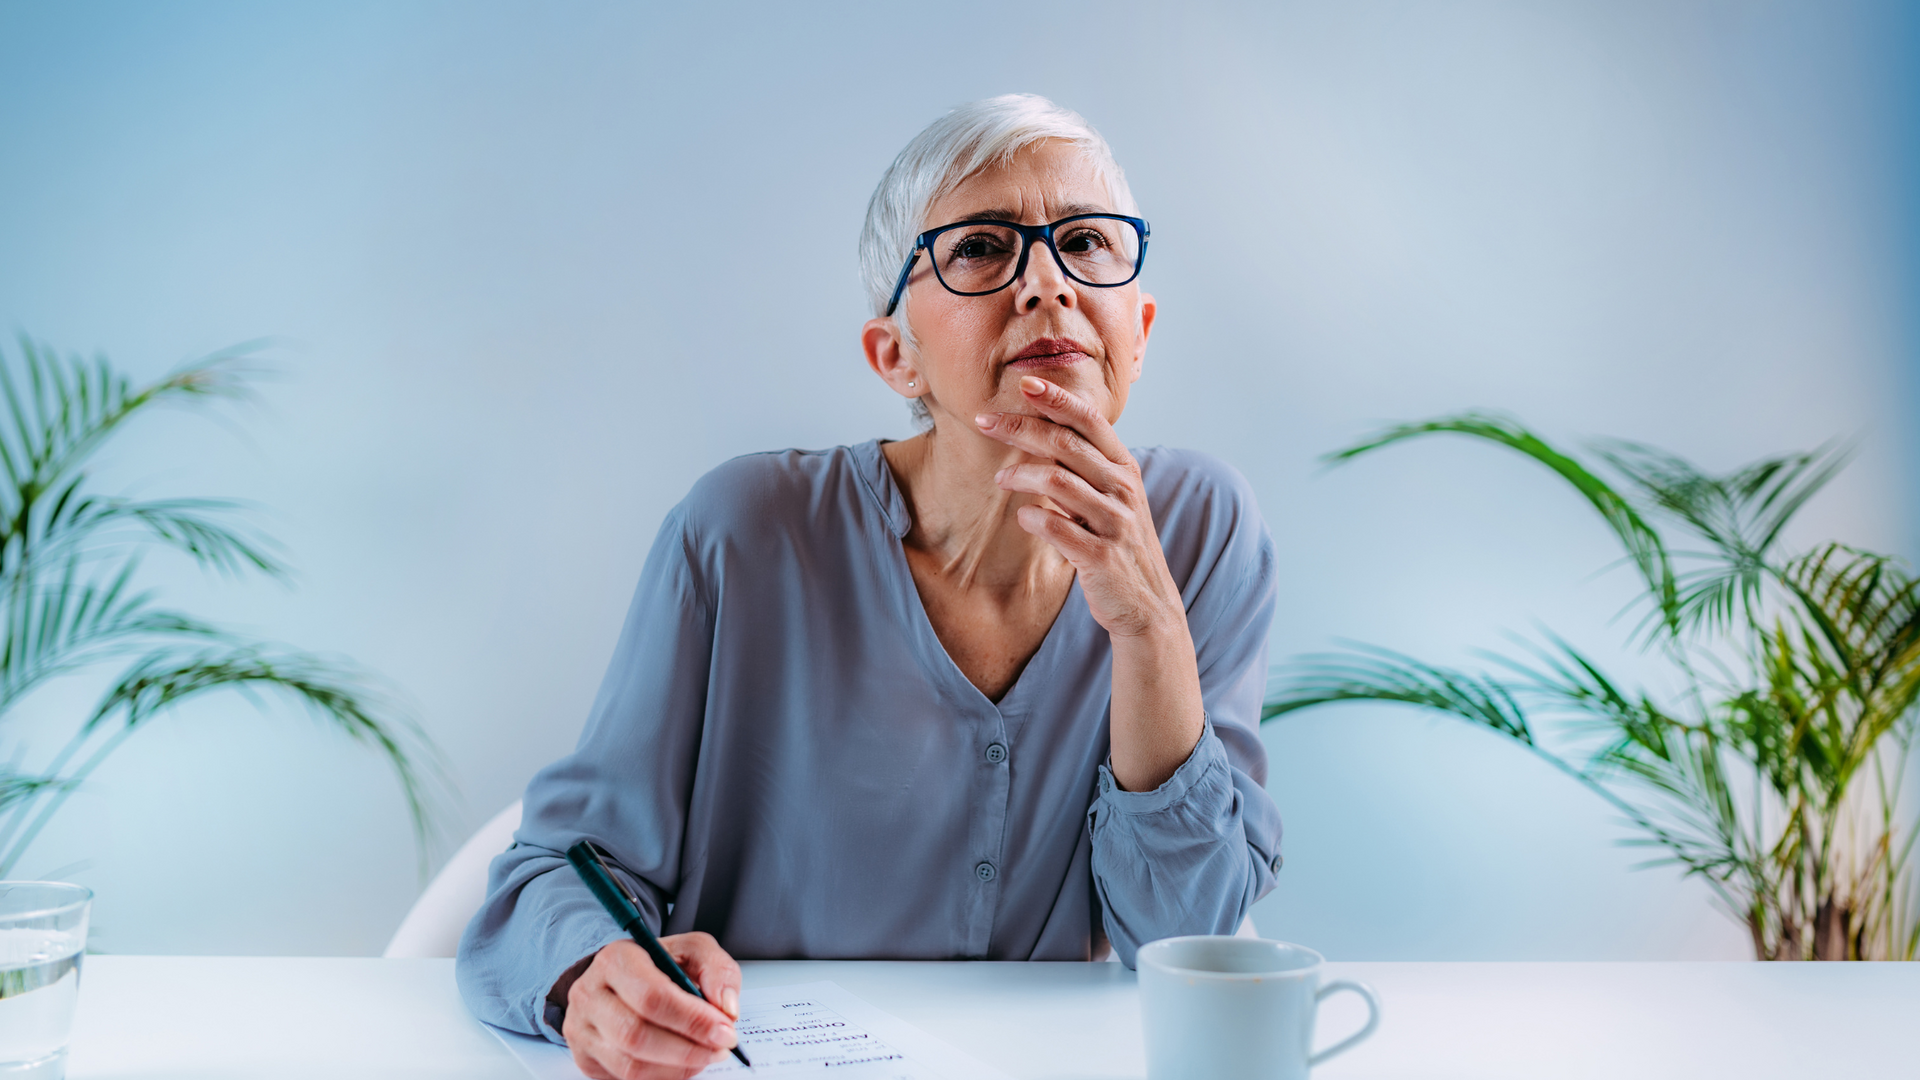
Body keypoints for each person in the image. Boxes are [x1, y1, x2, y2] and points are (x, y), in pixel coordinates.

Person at [456, 94, 1284, 1080]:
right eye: (982, 248)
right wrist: (593, 975)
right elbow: (551, 877)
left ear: (1136, 330)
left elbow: (1183, 944)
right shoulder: (744, 532)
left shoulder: (1203, 528)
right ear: (895, 355)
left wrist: (1150, 624)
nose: (1047, 286)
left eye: (1088, 244)